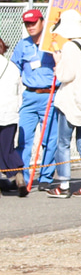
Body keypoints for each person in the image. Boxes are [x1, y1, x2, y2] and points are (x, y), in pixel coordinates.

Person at [49, 13, 81, 198]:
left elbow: (64, 75)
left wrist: (58, 62)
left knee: (63, 143)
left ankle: (63, 185)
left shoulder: (69, 46)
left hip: (70, 100)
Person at [12, 8, 61, 194]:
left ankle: (46, 177)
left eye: (33, 22)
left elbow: (63, 66)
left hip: (50, 95)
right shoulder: (22, 45)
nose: (30, 26)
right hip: (29, 96)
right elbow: (13, 69)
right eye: (27, 24)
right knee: (24, 138)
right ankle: (22, 179)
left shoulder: (53, 44)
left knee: (50, 139)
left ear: (42, 22)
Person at [0, 35, 22, 189]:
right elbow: (19, 92)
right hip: (10, 114)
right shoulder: (12, 67)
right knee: (7, 148)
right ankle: (19, 176)